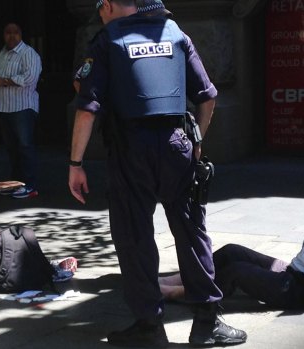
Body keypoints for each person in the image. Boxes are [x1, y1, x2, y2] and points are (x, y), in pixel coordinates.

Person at [69, 0, 246, 347]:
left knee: (134, 237)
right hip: (176, 145)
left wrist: (75, 165)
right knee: (191, 230)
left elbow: (87, 109)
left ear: (108, 6)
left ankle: (149, 325)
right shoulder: (176, 34)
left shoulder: (107, 40)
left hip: (130, 151)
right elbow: (207, 98)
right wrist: (196, 143)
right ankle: (207, 323)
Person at [159, 156, 304, 313]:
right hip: (292, 272)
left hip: (295, 289)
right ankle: (183, 277)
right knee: (231, 251)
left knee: (236, 271)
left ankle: (182, 293)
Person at [0, 23, 42, 199]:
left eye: (15, 33)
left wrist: (4, 81)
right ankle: (17, 183)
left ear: (21, 34)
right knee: (12, 148)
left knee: (25, 146)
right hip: (4, 107)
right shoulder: (2, 53)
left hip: (22, 107)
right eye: (8, 32)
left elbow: (30, 78)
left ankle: (30, 185)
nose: (11, 36)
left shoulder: (28, 53)